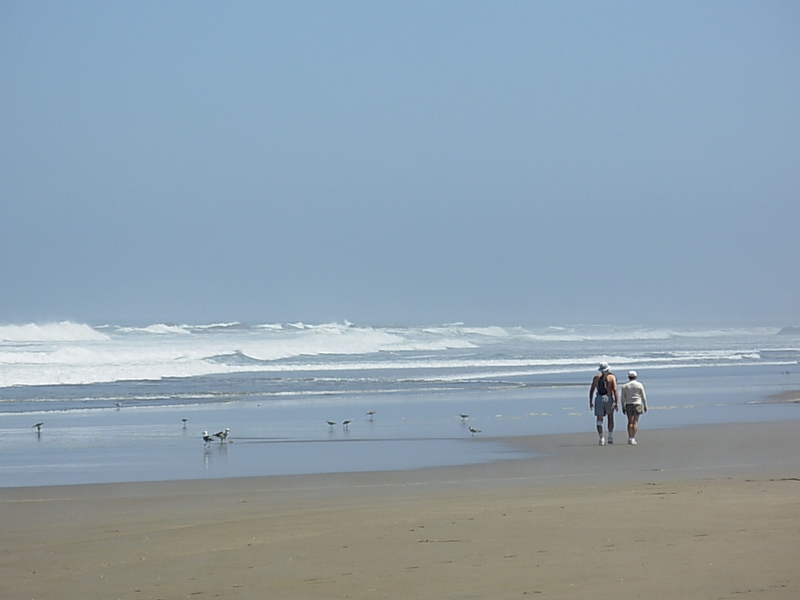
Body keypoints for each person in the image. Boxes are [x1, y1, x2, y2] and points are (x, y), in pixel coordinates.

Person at [589, 362, 618, 445]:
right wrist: (616, 401)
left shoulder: (596, 377)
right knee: (610, 417)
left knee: (599, 419)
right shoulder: (612, 377)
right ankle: (610, 436)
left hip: (599, 398)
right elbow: (615, 390)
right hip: (608, 397)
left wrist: (590, 401)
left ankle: (601, 437)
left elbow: (592, 390)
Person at [621, 370, 647, 445]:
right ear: (636, 376)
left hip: (628, 404)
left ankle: (630, 437)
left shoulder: (625, 386)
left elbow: (623, 397)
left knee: (630, 422)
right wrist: (645, 405)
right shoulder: (639, 385)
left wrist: (623, 406)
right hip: (637, 403)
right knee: (635, 422)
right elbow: (643, 396)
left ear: (628, 377)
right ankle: (633, 437)